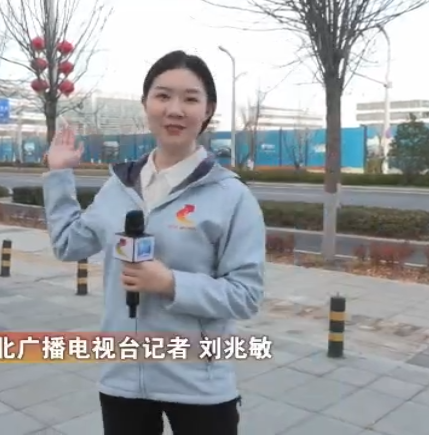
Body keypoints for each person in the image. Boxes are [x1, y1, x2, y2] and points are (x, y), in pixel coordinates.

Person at [41, 50, 266, 435]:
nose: (174, 109)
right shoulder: (119, 187)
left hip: (199, 385)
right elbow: (68, 244)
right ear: (146, 103)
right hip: (122, 380)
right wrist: (59, 176)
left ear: (208, 110)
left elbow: (245, 295)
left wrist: (170, 283)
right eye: (163, 96)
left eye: (190, 98)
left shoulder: (231, 197)